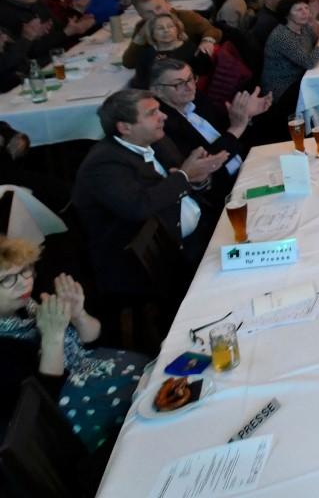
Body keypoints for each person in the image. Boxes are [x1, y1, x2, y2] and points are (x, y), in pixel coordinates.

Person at [72, 89, 229, 298]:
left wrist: (199, 178)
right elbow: (139, 206)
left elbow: (177, 182)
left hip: (199, 232)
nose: (163, 116)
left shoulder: (156, 139)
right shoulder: (104, 165)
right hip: (157, 261)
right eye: (152, 113)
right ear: (125, 127)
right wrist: (184, 175)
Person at [0, 240, 146, 450]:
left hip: (100, 375)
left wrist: (79, 315)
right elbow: (41, 402)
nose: (24, 282)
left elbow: (93, 343)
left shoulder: (28, 306)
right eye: (7, 279)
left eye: (25, 270)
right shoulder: (5, 347)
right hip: (69, 420)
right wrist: (53, 338)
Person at [148, 57, 270, 199]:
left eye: (190, 78)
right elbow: (208, 162)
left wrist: (246, 115)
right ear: (157, 90)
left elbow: (227, 133)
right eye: (178, 84)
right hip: (227, 191)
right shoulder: (163, 125)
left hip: (249, 166)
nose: (190, 87)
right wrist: (237, 127)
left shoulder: (198, 98)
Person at [261, 0, 319, 103]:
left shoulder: (304, 27)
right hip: (283, 89)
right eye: (299, 10)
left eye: (306, 8)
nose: (305, 12)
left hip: (303, 77)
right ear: (287, 14)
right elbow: (309, 63)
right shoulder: (282, 36)